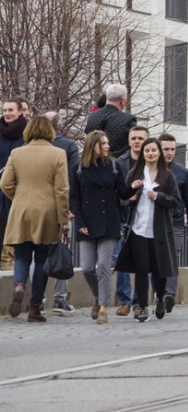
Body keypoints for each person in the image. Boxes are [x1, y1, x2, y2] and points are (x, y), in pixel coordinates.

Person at [1, 115, 69, 323]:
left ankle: (19, 284)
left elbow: (5, 183)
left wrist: (19, 197)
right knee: (41, 259)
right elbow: (62, 189)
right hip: (47, 211)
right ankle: (34, 307)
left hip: (21, 210)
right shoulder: (58, 154)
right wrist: (63, 218)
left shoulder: (17, 152)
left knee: (21, 255)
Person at [114, 138, 179, 322]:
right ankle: (142, 306)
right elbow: (123, 197)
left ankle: (159, 298)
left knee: (159, 269)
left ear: (158, 153)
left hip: (159, 230)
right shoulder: (135, 173)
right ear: (143, 154)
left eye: (153, 150)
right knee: (142, 268)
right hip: (138, 228)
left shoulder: (167, 175)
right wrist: (130, 195)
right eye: (147, 151)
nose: (151, 153)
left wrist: (158, 196)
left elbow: (175, 201)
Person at [70, 131, 127, 325]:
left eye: (107, 143)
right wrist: (80, 222)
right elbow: (74, 199)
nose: (107, 146)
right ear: (92, 145)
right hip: (86, 223)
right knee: (87, 268)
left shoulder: (114, 166)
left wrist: (135, 187)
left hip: (109, 221)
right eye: (103, 143)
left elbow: (123, 191)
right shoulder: (78, 169)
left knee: (104, 264)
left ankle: (103, 307)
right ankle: (98, 296)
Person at [45, 111, 79, 313]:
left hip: (36, 209)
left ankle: (37, 298)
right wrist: (70, 207)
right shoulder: (68, 146)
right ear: (60, 126)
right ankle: (59, 298)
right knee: (62, 251)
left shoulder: (26, 147)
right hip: (62, 207)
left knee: (36, 253)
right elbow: (73, 178)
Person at [112, 126, 147, 316]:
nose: (137, 141)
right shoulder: (119, 163)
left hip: (145, 219)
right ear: (128, 141)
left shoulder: (152, 163)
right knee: (120, 259)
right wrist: (127, 199)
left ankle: (139, 302)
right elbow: (114, 192)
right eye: (134, 138)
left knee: (144, 262)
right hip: (123, 218)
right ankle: (124, 301)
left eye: (141, 138)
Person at [160, 133, 188, 311]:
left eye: (173, 149)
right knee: (155, 259)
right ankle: (159, 292)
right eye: (166, 149)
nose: (169, 153)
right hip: (154, 222)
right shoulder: (149, 169)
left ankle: (169, 294)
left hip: (175, 222)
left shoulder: (183, 172)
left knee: (173, 258)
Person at [0, 98, 28, 271]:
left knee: (14, 225)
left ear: (20, 112)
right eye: (4, 111)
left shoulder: (27, 133)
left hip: (18, 188)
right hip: (0, 188)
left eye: (11, 110)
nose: (7, 114)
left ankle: (10, 263)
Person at [84, 82, 137, 160]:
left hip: (93, 163)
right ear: (122, 101)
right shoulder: (128, 119)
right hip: (118, 165)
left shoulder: (92, 116)